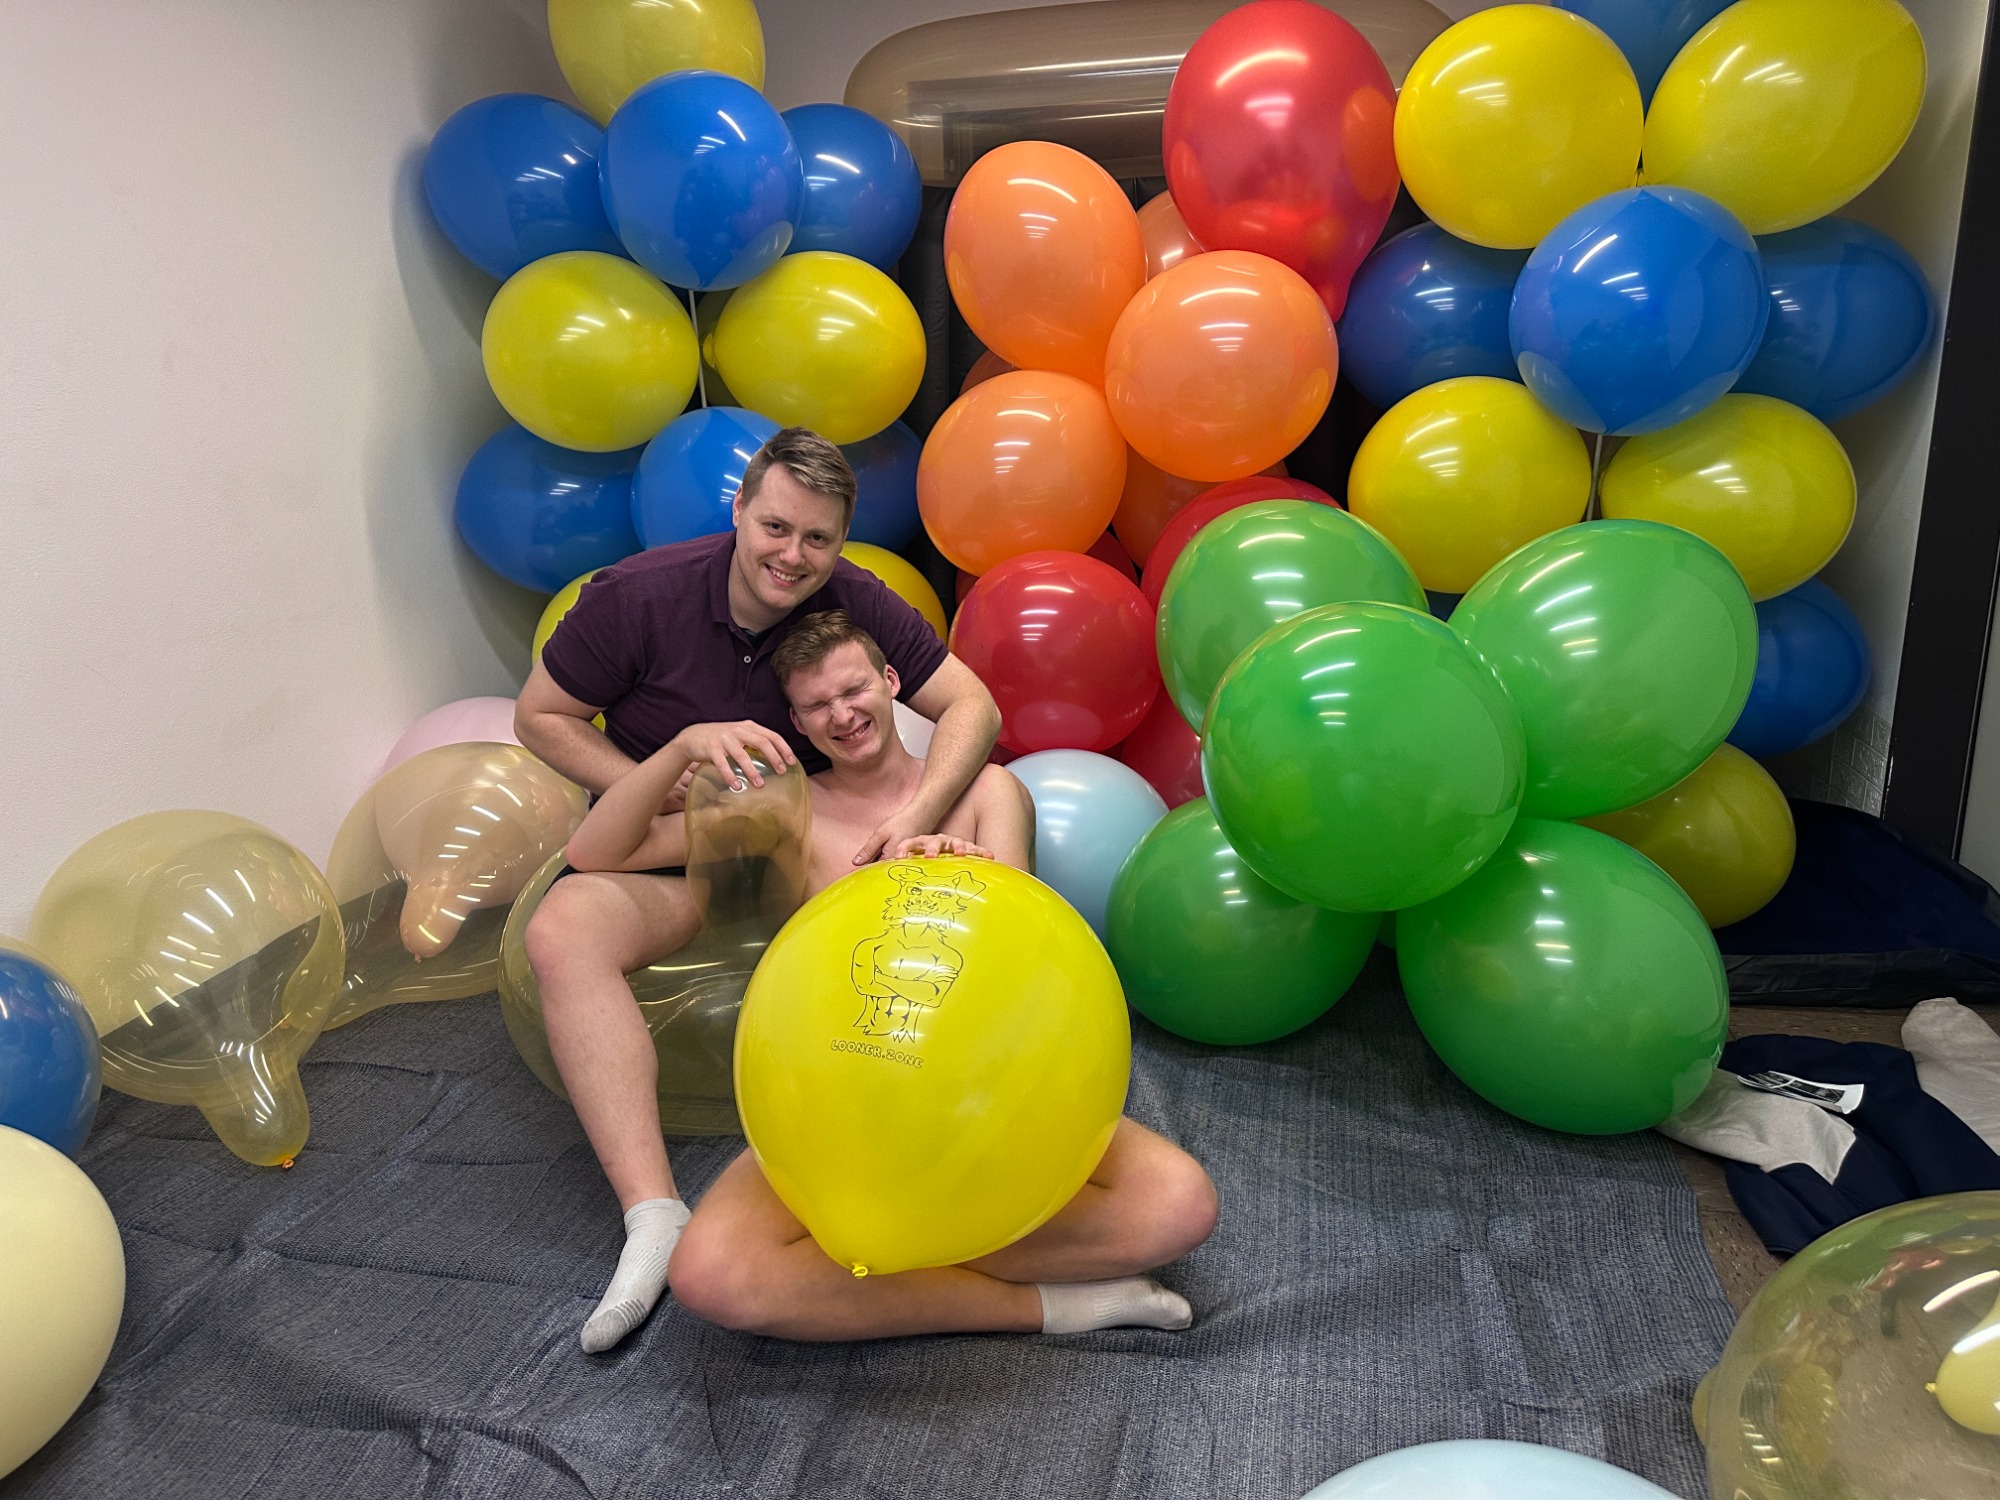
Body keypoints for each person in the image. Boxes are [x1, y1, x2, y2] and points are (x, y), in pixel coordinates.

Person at [569, 611, 1219, 1341]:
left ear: (890, 682)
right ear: (797, 723)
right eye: (818, 706)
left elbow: (1027, 968)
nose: (843, 715)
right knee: (708, 1274)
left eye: (854, 691)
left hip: (990, 1087)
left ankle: (892, 1256)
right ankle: (1048, 1307)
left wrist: (969, 880)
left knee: (1179, 1206)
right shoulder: (782, 812)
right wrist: (679, 750)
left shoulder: (988, 791)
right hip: (842, 1090)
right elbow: (597, 852)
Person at [516, 428, 1003, 1352]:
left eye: (818, 538)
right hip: (676, 844)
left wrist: (914, 815)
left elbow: (971, 705)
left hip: (806, 846)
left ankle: (896, 1140)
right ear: (739, 511)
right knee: (561, 931)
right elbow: (539, 716)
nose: (793, 556)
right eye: (776, 527)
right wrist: (663, 781)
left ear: (843, 540)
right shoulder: (637, 596)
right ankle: (653, 1215)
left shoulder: (858, 598)